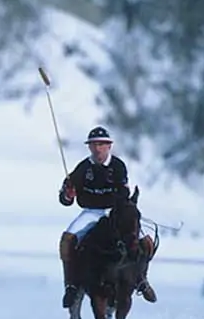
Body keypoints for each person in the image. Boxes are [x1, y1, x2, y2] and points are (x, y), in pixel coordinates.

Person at [58, 125, 157, 308]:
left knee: (146, 242)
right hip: (90, 212)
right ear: (89, 147)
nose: (97, 149)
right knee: (66, 240)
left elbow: (123, 194)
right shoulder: (82, 168)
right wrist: (68, 194)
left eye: (102, 145)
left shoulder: (118, 166)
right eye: (94, 145)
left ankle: (142, 279)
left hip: (113, 212)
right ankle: (71, 285)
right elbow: (64, 199)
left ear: (109, 146)